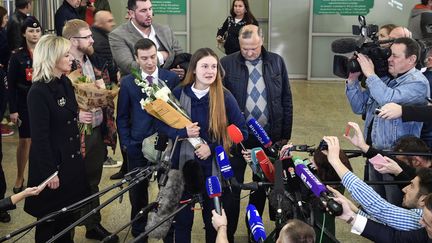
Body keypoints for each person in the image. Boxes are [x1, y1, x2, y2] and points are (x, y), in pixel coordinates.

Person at [157, 47, 248, 243]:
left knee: (213, 220)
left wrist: (214, 147)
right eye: (204, 66)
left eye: (214, 66)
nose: (210, 71)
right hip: (181, 168)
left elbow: (242, 132)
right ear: (194, 69)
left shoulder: (224, 96)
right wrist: (182, 132)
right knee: (182, 222)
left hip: (213, 170)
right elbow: (161, 126)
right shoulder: (179, 93)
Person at [220, 24, 292, 241]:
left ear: (262, 41)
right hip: (237, 138)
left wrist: (284, 135)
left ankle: (254, 230)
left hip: (268, 137)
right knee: (232, 186)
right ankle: (227, 232)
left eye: (253, 48)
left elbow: (286, 98)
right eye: (245, 49)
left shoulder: (276, 62)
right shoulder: (226, 64)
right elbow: (220, 103)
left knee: (261, 187)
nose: (249, 53)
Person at [345, 37, 430, 206]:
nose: (389, 59)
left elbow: (386, 98)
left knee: (394, 203)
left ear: (412, 59)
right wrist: (353, 80)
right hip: (375, 152)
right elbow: (359, 107)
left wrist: (370, 73)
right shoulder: (385, 80)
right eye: (389, 54)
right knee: (376, 203)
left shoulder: (417, 83)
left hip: (397, 158)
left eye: (396, 56)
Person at [24, 34, 90, 243]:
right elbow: (40, 138)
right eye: (66, 55)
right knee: (48, 222)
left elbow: (67, 115)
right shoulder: (38, 92)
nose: (71, 58)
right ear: (52, 58)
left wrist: (78, 116)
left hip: (69, 163)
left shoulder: (64, 83)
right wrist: (49, 173)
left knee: (66, 220)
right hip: (52, 167)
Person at [62, 18, 119, 242]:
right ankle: (67, 227)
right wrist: (76, 114)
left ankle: (92, 224)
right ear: (73, 40)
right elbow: (53, 103)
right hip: (73, 135)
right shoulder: (62, 66)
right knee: (72, 181)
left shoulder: (94, 61)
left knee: (92, 179)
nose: (92, 39)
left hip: (95, 129)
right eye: (87, 37)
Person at [116, 38, 179, 239]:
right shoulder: (128, 82)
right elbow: (122, 117)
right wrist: (126, 144)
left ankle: (168, 231)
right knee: (137, 193)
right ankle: (139, 231)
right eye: (144, 58)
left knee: (168, 192)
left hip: (166, 144)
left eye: (153, 57)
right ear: (136, 58)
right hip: (137, 145)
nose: (150, 62)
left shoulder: (171, 78)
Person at [323, 135, 432, 231]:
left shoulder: (418, 219)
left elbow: (380, 207)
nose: (404, 188)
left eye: (412, 186)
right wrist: (353, 209)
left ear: (423, 200)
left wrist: (335, 161)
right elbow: (385, 226)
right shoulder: (420, 217)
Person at [7, 16, 42, 195]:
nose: (35, 34)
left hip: (42, 102)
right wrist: (13, 110)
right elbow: (11, 85)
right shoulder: (17, 56)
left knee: (42, 140)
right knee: (25, 140)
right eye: (31, 31)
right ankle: (20, 175)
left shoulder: (45, 52)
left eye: (37, 31)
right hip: (24, 102)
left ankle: (40, 176)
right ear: (24, 33)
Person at [109, 0, 184, 78]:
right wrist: (161, 56)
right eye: (143, 11)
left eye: (150, 9)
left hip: (171, 84)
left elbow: (181, 56)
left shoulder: (165, 30)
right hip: (137, 86)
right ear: (131, 14)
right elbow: (130, 67)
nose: (149, 14)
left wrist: (183, 70)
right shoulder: (118, 35)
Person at [335, 192, 432, 242]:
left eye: (426, 223)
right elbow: (393, 238)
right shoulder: (424, 233)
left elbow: (382, 207)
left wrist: (335, 161)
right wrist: (349, 216)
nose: (421, 222)